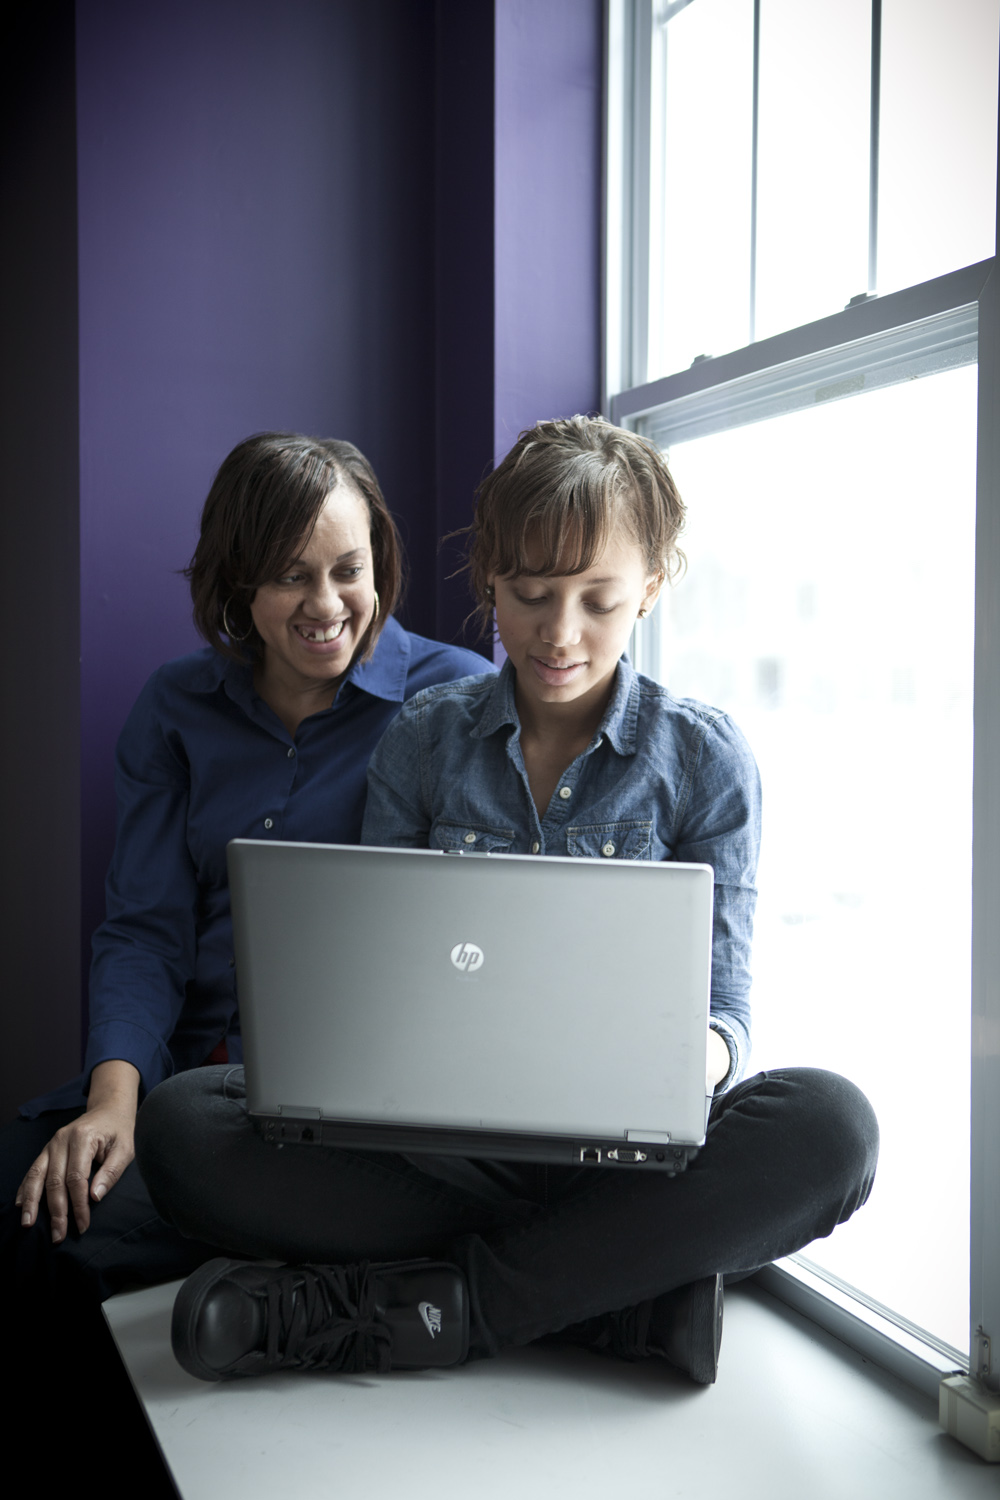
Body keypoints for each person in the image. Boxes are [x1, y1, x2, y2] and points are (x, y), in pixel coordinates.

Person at [136, 416, 879, 1387]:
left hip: (624, 1155)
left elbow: (725, 1009)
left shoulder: (705, 760)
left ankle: (454, 1309)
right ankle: (620, 1293)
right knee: (185, 1126)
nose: (558, 634)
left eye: (598, 601)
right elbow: (379, 971)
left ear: (653, 586)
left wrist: (679, 1064)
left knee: (830, 1127)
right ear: (487, 577)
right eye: (528, 596)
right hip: (441, 1151)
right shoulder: (425, 735)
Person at [1, 431, 492, 1323]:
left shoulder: (454, 698)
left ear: (380, 557)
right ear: (237, 583)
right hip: (178, 1080)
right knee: (27, 1198)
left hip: (346, 1104)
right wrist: (112, 1106)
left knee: (100, 1255)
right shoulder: (175, 708)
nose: (326, 604)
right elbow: (144, 931)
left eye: (349, 568)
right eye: (289, 576)